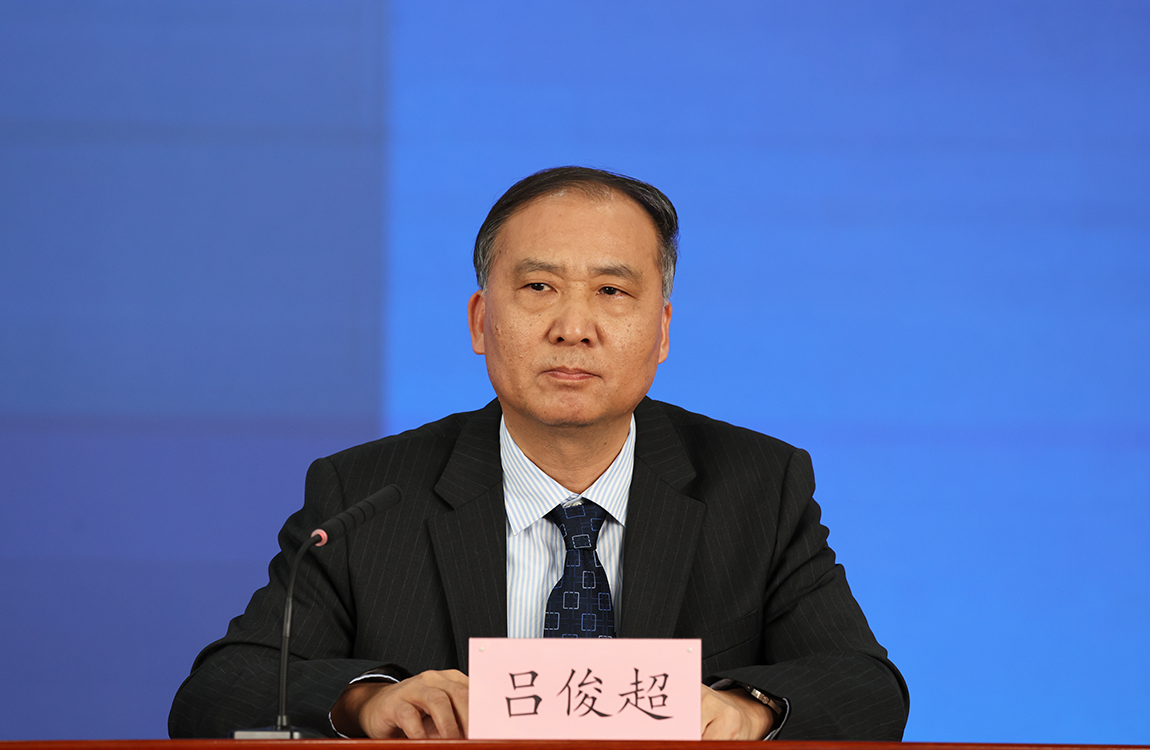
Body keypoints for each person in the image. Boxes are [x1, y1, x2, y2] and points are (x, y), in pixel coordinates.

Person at [169, 166, 909, 741]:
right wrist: (365, 699)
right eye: (539, 286)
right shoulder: (367, 493)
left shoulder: (756, 487)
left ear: (661, 332)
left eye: (612, 291)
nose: (573, 327)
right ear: (481, 322)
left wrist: (750, 710)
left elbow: (867, 688)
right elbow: (219, 692)